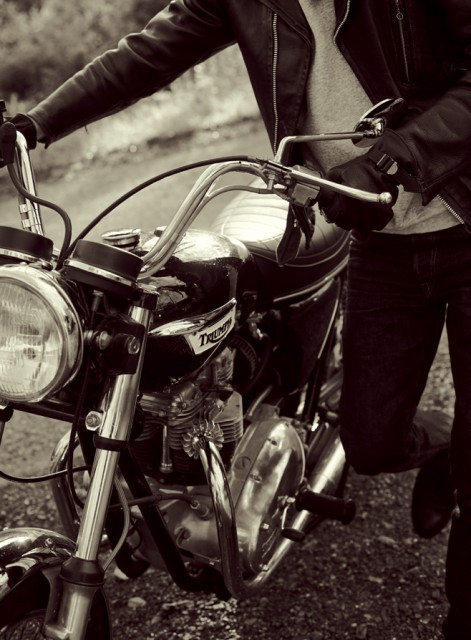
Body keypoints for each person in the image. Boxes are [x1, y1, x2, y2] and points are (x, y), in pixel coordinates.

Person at [9, 1, 471, 637]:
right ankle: (441, 448)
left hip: (463, 212)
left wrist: (395, 155)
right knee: (369, 441)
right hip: (379, 236)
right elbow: (149, 51)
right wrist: (34, 124)